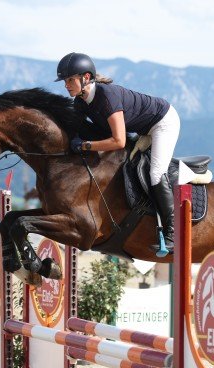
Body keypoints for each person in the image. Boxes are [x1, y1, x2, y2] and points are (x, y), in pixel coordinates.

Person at [55, 52, 180, 254]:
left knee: (156, 173)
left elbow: (119, 141)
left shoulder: (107, 96)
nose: (66, 85)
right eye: (65, 81)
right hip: (143, 129)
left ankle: (173, 233)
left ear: (85, 78)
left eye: (70, 80)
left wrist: (86, 145)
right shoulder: (80, 102)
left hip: (163, 122)